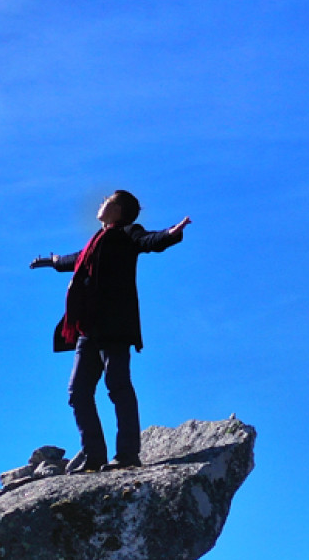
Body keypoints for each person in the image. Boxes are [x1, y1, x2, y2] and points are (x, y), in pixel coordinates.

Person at [30, 190, 191, 472]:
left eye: (107, 201)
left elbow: (149, 241)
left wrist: (170, 234)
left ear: (117, 210)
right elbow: (77, 259)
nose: (101, 203)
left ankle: (127, 454)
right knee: (78, 392)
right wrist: (54, 261)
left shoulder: (127, 233)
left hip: (114, 326)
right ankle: (94, 456)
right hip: (88, 328)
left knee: (118, 386)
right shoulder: (95, 244)